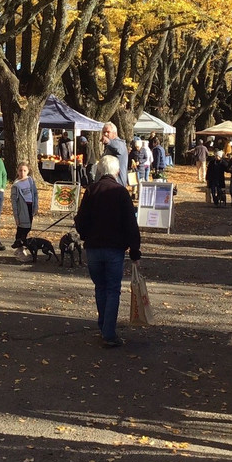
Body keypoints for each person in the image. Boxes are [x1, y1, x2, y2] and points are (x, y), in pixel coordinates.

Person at [74, 155, 142, 348]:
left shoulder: (91, 191)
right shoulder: (120, 192)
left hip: (94, 248)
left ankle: (103, 324)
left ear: (99, 170)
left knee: (100, 287)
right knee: (113, 290)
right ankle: (108, 332)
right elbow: (130, 223)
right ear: (117, 171)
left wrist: (85, 235)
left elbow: (81, 220)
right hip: (114, 248)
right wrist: (135, 250)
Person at [10, 162, 39, 249]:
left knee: (28, 227)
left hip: (31, 206)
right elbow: (14, 201)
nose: (22, 172)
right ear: (17, 171)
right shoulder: (16, 185)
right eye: (20, 170)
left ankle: (22, 245)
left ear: (28, 171)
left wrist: (36, 206)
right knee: (22, 228)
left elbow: (35, 193)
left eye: (24, 170)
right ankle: (19, 246)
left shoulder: (30, 180)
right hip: (22, 208)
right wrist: (16, 216)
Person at [100, 122, 129, 186]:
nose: (105, 134)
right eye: (104, 132)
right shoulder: (109, 146)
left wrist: (108, 141)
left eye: (108, 132)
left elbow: (117, 147)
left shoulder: (120, 144)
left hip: (117, 184)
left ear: (115, 133)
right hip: (108, 184)